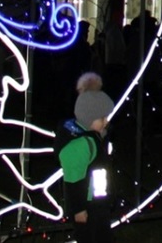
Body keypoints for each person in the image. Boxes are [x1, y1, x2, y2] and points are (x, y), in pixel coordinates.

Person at [61, 79, 114, 241]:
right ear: (89, 118)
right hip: (87, 206)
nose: (106, 122)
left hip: (99, 202)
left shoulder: (96, 139)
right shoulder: (82, 144)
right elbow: (73, 180)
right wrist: (78, 209)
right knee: (89, 237)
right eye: (102, 118)